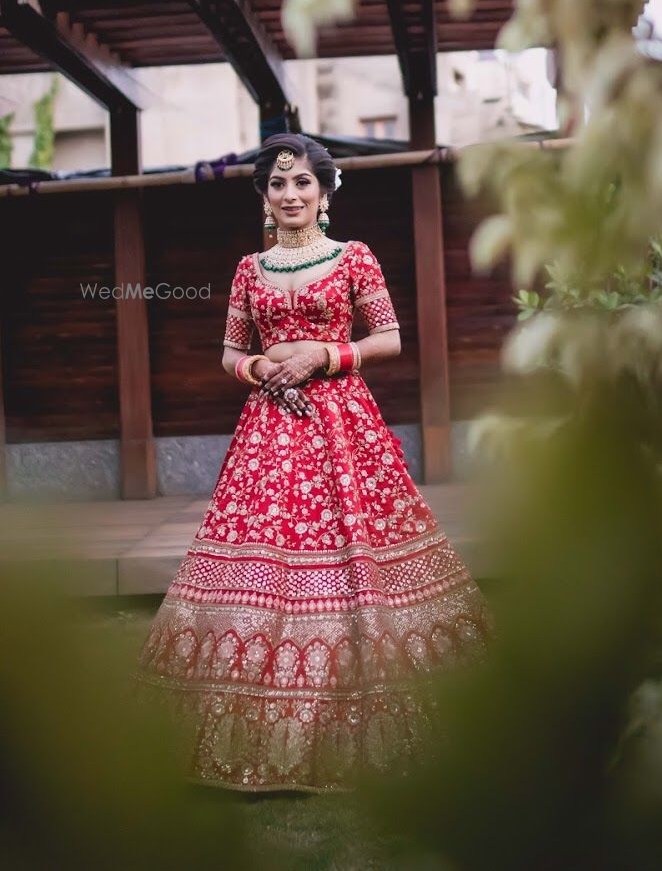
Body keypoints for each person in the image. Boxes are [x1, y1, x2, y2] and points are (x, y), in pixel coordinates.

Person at [134, 133, 492, 792]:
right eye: (278, 183)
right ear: (264, 197)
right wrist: (261, 365)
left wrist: (323, 356)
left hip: (342, 425)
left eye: (302, 183)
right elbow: (228, 355)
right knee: (263, 561)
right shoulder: (250, 269)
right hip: (271, 430)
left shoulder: (354, 258)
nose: (291, 194)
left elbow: (389, 338)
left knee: (354, 556)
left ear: (325, 193)